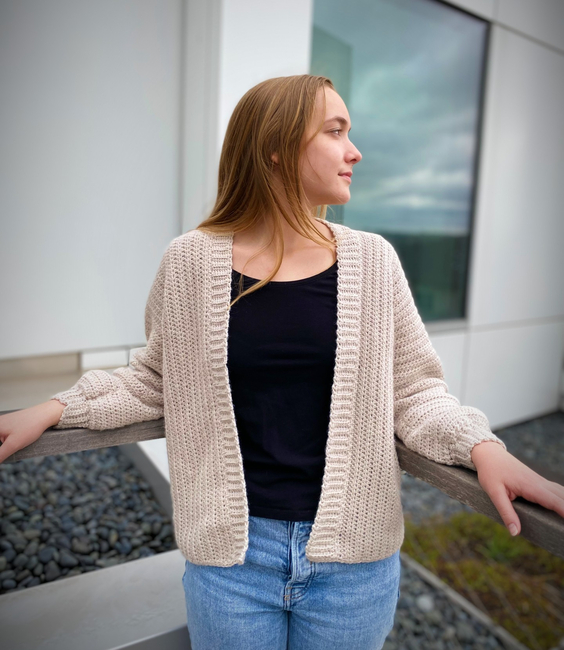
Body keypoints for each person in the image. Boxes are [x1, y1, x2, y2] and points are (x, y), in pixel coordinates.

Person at [1, 74, 563, 650]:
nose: (354, 151)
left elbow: (415, 392)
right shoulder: (190, 262)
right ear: (276, 146)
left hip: (354, 568)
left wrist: (483, 448)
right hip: (231, 563)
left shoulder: (374, 262)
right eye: (335, 132)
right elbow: (154, 379)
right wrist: (55, 408)